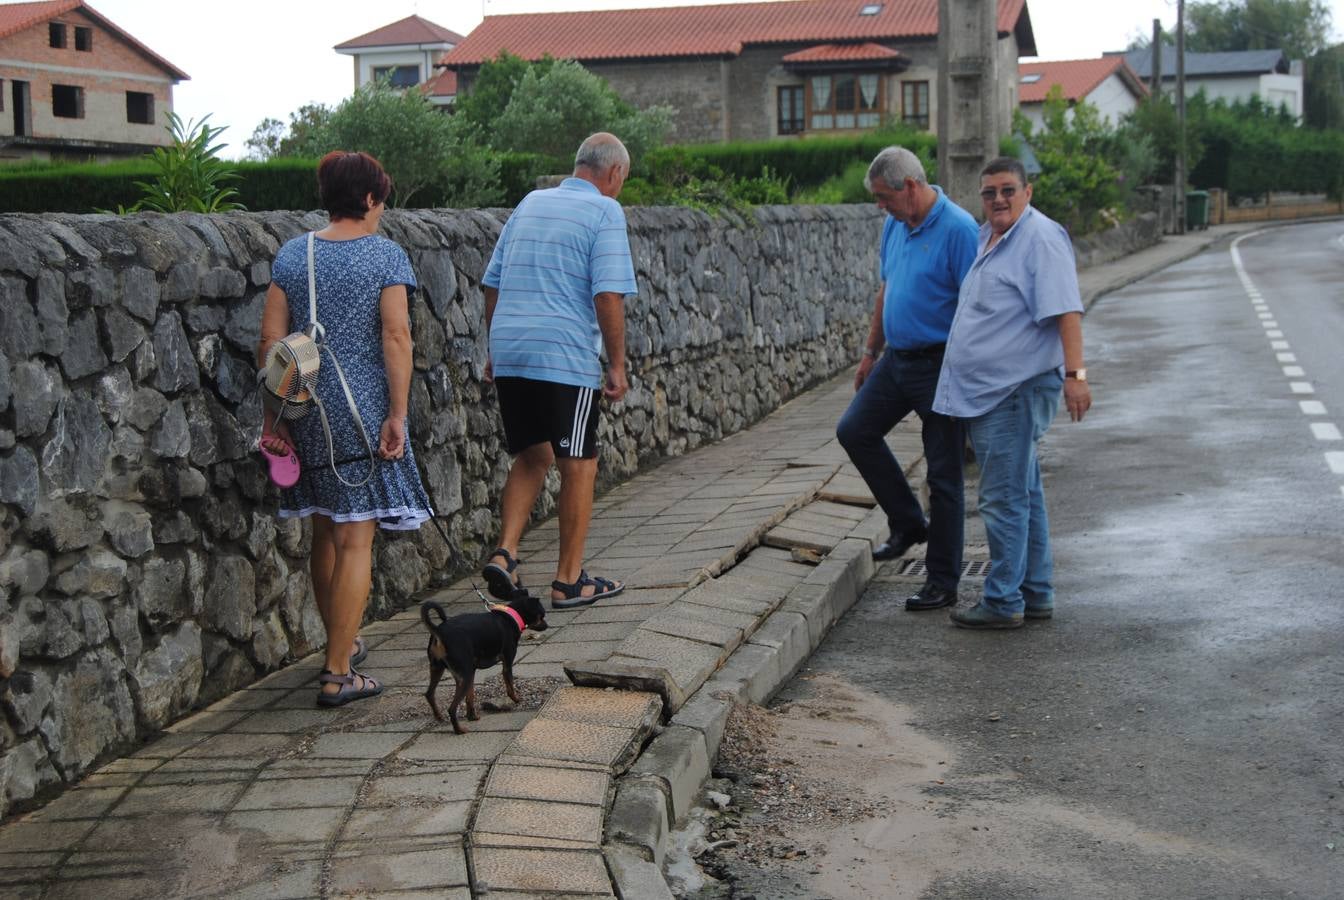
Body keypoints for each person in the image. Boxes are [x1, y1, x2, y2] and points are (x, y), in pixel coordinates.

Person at [258, 150, 431, 704]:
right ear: (370, 198)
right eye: (383, 198)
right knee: (357, 536)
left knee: (325, 531)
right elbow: (396, 337)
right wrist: (398, 414)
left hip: (306, 408)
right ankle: (338, 672)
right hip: (362, 411)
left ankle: (343, 641)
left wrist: (273, 418)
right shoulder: (385, 255)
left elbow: (270, 345)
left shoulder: (293, 253)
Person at [479, 132, 637, 610]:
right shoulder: (605, 211)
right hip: (563, 357)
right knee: (579, 463)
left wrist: (495, 348)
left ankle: (506, 553)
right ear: (613, 173)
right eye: (622, 181)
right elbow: (607, 294)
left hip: (512, 350)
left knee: (533, 455)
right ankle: (569, 581)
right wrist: (616, 364)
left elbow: (492, 283)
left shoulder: (529, 203)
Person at [934, 157, 1092, 630]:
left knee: (1003, 499)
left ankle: (1003, 601)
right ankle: (1035, 591)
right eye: (989, 192)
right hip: (991, 391)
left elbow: (1067, 312)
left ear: (1028, 192)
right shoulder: (991, 237)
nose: (998, 199)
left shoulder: (1040, 238)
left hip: (1013, 390)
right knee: (1023, 493)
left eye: (1007, 190)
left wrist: (1077, 376)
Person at [836, 146, 979, 612]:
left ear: (911, 188)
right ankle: (908, 523)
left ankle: (942, 581)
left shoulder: (959, 230)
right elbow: (887, 288)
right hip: (896, 360)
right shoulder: (895, 226)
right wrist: (868, 352)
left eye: (884, 196)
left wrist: (968, 373)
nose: (880, 206)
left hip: (941, 364)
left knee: (944, 475)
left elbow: (975, 305)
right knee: (854, 430)